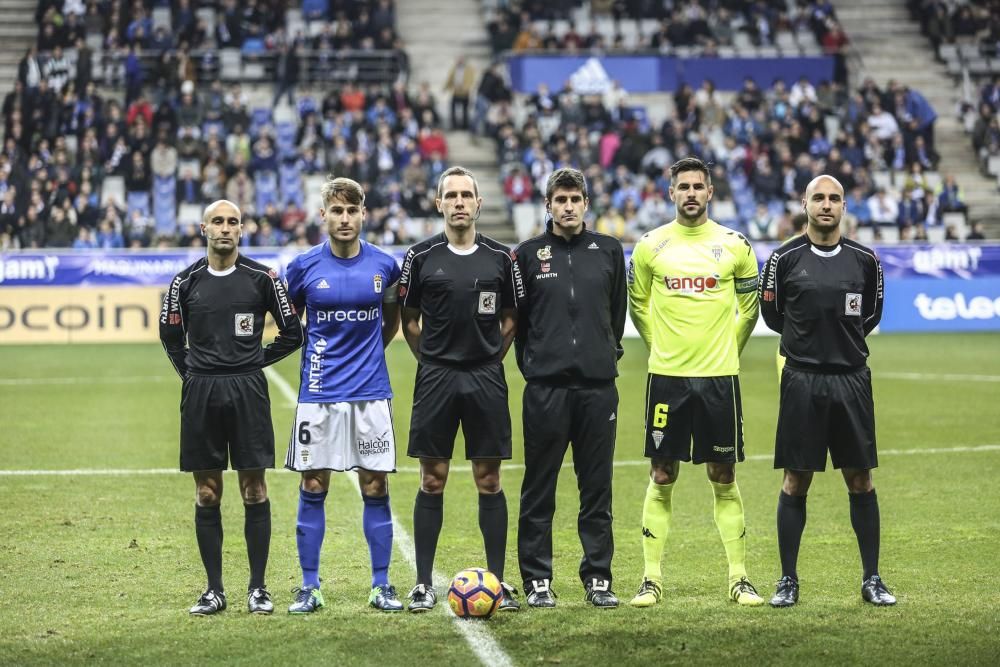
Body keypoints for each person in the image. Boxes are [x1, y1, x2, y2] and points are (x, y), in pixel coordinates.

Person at [626, 157, 764, 608]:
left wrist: (729, 350)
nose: (690, 193)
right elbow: (639, 305)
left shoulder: (735, 245)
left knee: (722, 473)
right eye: (682, 186)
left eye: (697, 186)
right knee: (662, 473)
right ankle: (650, 578)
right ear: (670, 193)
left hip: (719, 378)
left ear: (710, 193)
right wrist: (658, 346)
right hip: (666, 378)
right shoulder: (650, 246)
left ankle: (739, 578)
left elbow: (750, 308)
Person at [159, 199, 304, 615]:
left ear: (243, 229)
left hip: (248, 391)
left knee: (254, 489)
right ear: (203, 228)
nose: (225, 228)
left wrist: (255, 361)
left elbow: (292, 333)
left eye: (233, 222)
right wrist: (191, 374)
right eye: (217, 222)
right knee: (207, 492)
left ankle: (258, 588)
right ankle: (214, 590)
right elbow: (170, 336)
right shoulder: (184, 282)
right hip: (201, 391)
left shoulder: (262, 278)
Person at [758, 175, 895, 607]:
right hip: (802, 380)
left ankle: (872, 578)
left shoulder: (865, 260)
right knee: (796, 480)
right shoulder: (782, 259)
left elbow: (869, 315)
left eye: (835, 198)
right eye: (818, 197)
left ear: (844, 206)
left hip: (852, 379)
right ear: (804, 203)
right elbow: (773, 315)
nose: (826, 205)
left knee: (860, 479)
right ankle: (788, 580)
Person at [398, 165, 524, 612]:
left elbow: (511, 318)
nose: (458, 202)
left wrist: (493, 356)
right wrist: (429, 359)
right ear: (438, 204)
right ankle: (421, 583)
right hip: (435, 378)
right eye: (449, 195)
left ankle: (498, 581)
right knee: (432, 480)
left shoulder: (501, 258)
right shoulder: (419, 257)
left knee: (488, 480)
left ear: (478, 203)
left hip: (486, 378)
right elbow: (409, 320)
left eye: (465, 195)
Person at [283, 177, 404, 614]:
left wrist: (369, 355)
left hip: (371, 394)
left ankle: (381, 585)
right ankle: (310, 587)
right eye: (337, 211)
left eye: (352, 211)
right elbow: (286, 319)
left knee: (376, 483)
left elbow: (391, 320)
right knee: (313, 482)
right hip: (318, 395)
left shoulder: (385, 266)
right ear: (323, 216)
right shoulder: (301, 268)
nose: (345, 218)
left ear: (363, 214)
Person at [513, 168, 627, 609]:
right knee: (539, 486)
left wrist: (600, 355)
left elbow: (615, 317)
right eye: (559, 199)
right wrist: (538, 365)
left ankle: (598, 577)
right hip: (545, 389)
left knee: (596, 487)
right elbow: (520, 324)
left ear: (585, 203)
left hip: (599, 389)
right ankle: (537, 579)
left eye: (575, 199)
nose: (567, 206)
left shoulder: (610, 251)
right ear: (548, 205)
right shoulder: (526, 255)